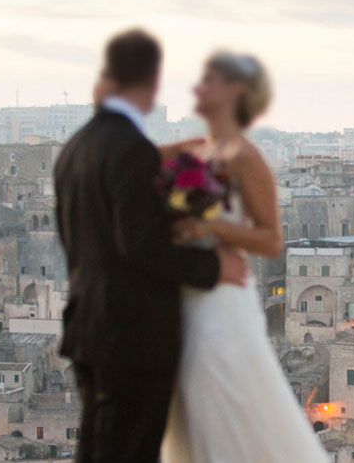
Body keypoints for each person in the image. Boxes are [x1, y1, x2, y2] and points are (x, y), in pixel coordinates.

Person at [54, 28, 249, 462]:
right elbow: (139, 245)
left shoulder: (76, 148)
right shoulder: (131, 150)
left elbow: (83, 237)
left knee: (99, 449)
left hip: (88, 327)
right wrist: (216, 268)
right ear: (151, 83)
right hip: (130, 336)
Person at [159, 51, 326, 462]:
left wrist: (208, 227)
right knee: (191, 403)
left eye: (210, 80)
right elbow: (137, 160)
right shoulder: (195, 150)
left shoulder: (247, 157)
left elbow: (271, 241)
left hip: (222, 297)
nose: (200, 86)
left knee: (223, 396)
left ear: (235, 93)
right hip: (188, 290)